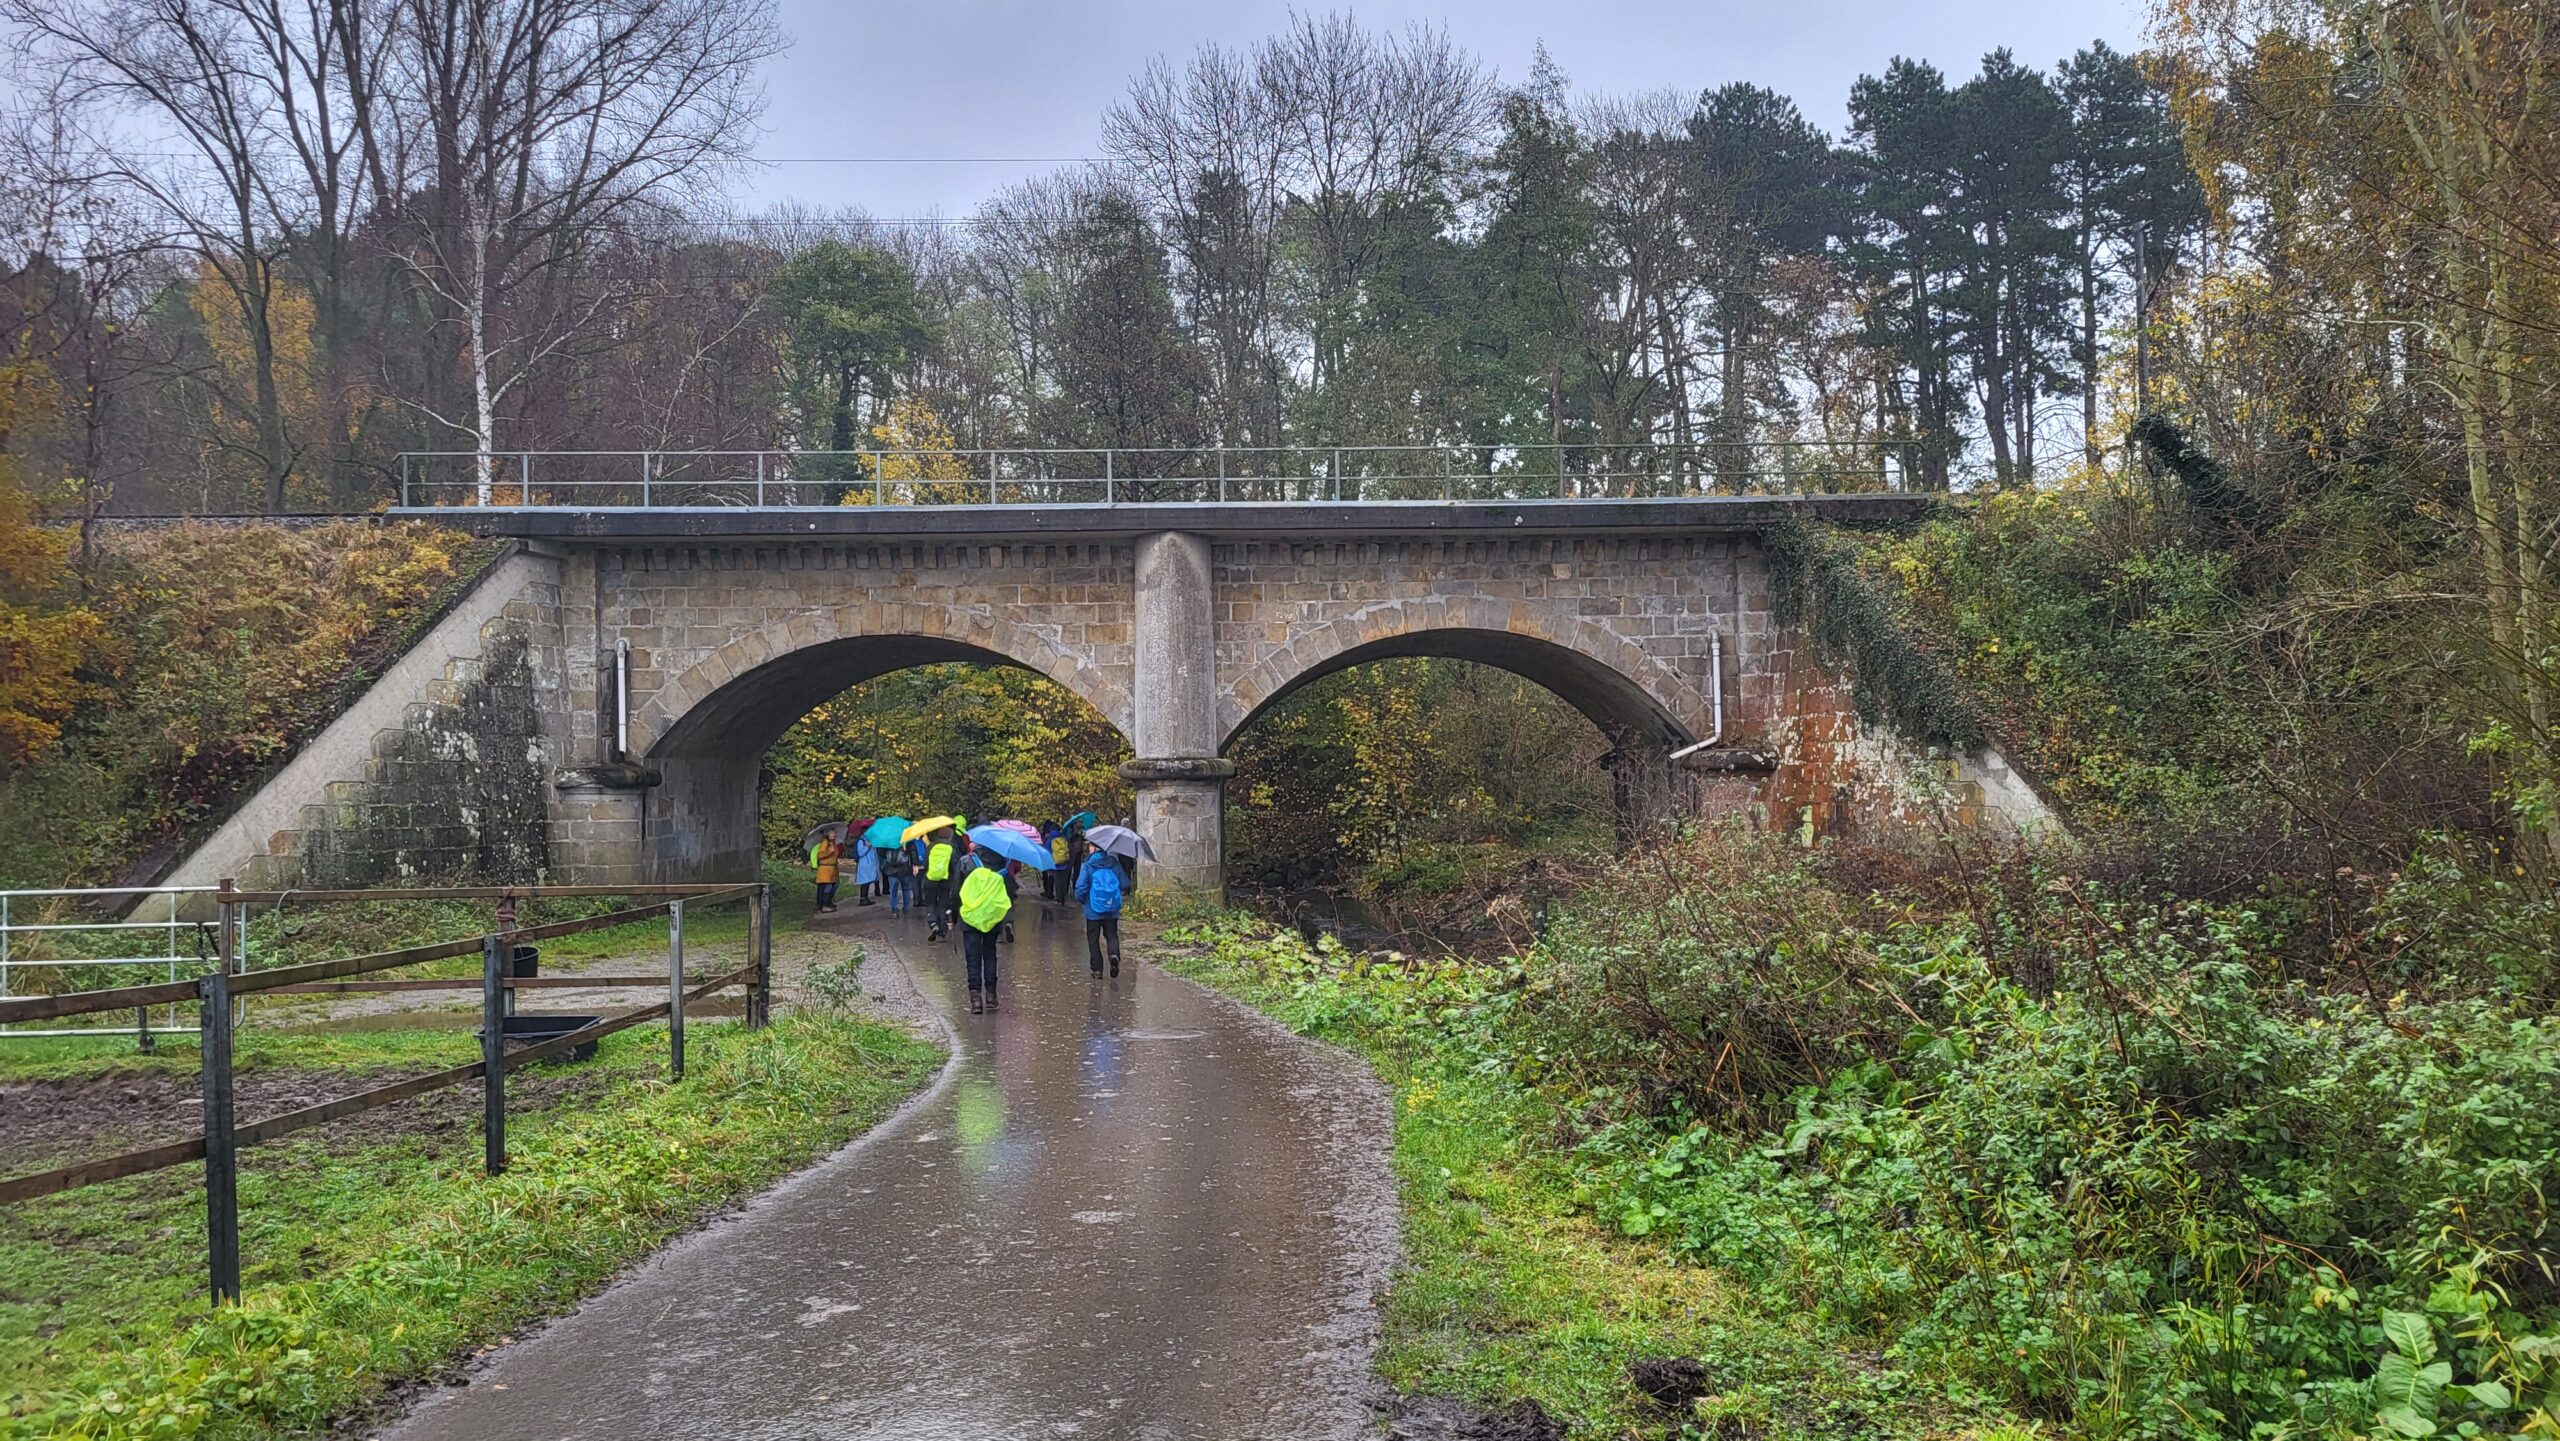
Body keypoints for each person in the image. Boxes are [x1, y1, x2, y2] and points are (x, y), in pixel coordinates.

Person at [958, 856, 1012, 1013]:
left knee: (972, 957)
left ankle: (975, 999)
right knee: (989, 953)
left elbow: (957, 890)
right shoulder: (1002, 862)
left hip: (970, 917)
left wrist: (953, 914)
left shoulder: (966, 861)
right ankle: (991, 995)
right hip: (992, 918)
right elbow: (1008, 893)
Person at [1073, 842, 1127, 978]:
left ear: (1093, 848)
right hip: (1112, 909)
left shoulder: (1088, 865)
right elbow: (1125, 883)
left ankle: (1097, 970)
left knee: (1093, 939)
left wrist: (1082, 900)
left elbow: (1080, 887)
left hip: (1093, 910)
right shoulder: (1113, 863)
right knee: (1112, 935)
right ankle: (1114, 954)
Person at [920, 827, 957, 941]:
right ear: (949, 836)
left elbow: (925, 863)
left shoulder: (931, 847)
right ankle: (942, 928)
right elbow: (954, 866)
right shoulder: (951, 848)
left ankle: (933, 924)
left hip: (930, 880)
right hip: (946, 881)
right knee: (942, 905)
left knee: (930, 904)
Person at [880, 836, 914, 916]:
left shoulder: (888, 840)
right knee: (906, 888)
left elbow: (881, 852)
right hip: (904, 868)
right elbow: (912, 852)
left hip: (892, 868)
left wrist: (887, 855)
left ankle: (894, 909)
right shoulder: (907, 839)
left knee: (893, 889)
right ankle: (906, 908)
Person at [812, 831, 843, 913]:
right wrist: (828, 851)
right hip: (825, 869)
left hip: (833, 869)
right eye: (831, 833)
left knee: (834, 886)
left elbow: (835, 856)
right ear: (827, 834)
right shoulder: (825, 843)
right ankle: (824, 905)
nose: (834, 835)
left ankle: (828, 903)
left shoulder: (834, 843)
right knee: (827, 887)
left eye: (834, 833)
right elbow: (819, 855)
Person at [853, 834, 880, 906]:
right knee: (865, 881)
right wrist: (867, 846)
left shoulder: (870, 840)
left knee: (867, 881)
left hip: (869, 865)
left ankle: (865, 897)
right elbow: (860, 853)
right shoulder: (861, 841)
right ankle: (863, 898)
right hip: (865, 865)